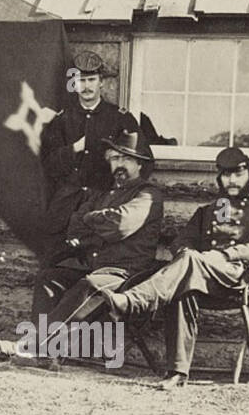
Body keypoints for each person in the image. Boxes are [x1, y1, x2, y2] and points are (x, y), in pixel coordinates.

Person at [101, 146, 249, 390]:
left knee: (189, 265)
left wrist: (224, 254)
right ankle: (177, 373)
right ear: (220, 178)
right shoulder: (207, 211)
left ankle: (132, 301)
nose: (232, 180)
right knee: (183, 282)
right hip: (206, 278)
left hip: (240, 278)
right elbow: (182, 241)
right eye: (226, 175)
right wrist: (186, 251)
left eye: (238, 174)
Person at [32, 130, 164, 330]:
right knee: (48, 278)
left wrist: (90, 218)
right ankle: (45, 344)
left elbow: (119, 225)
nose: (119, 164)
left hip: (126, 275)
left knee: (91, 286)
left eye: (127, 159)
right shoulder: (101, 195)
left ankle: (37, 346)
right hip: (94, 267)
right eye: (115, 158)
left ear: (139, 164)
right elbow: (74, 226)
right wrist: (94, 221)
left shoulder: (147, 195)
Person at [40, 51, 139, 230]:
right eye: (81, 81)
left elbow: (142, 161)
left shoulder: (120, 118)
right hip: (66, 206)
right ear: (74, 84)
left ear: (101, 82)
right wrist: (74, 149)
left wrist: (119, 193)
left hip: (104, 204)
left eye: (91, 79)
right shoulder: (62, 119)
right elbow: (47, 163)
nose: (86, 86)